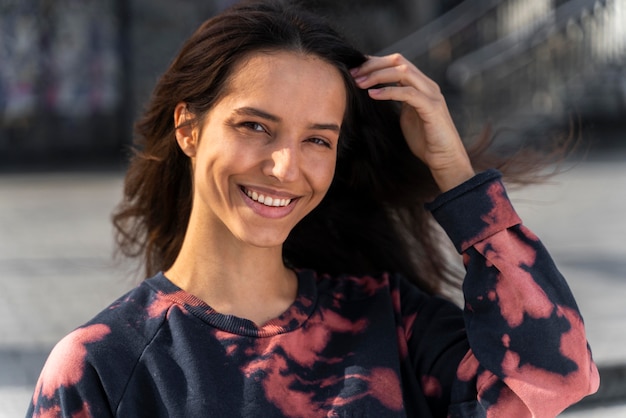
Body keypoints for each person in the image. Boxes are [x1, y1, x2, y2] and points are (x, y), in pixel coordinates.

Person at [27, 1, 599, 417]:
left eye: (318, 139)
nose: (285, 168)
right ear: (189, 129)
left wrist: (454, 173)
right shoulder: (103, 363)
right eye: (255, 126)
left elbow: (556, 376)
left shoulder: (389, 323)